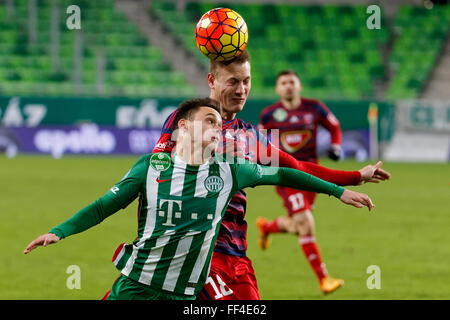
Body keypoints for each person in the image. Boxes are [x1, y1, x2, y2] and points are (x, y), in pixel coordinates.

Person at [23, 97, 375, 300]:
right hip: (135, 287)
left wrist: (340, 190)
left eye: (219, 123)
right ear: (183, 128)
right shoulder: (152, 166)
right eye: (208, 120)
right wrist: (60, 231)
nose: (217, 127)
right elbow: (104, 207)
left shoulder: (232, 170)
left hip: (187, 296)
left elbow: (285, 171)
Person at [153, 52, 391, 300]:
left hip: (235, 254)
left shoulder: (249, 136)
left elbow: (297, 167)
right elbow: (157, 171)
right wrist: (208, 156)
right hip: (194, 252)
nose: (241, 90)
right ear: (212, 81)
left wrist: (353, 177)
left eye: (246, 81)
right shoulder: (187, 120)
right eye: (233, 82)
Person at [256, 69, 359, 293]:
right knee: (306, 222)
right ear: (277, 89)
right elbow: (262, 141)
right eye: (283, 83)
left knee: (297, 226)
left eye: (292, 81)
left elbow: (334, 126)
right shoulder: (269, 114)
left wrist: (336, 146)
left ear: (299, 85)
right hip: (287, 175)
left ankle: (267, 227)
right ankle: (324, 279)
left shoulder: (314, 107)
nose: (288, 86)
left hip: (312, 174)